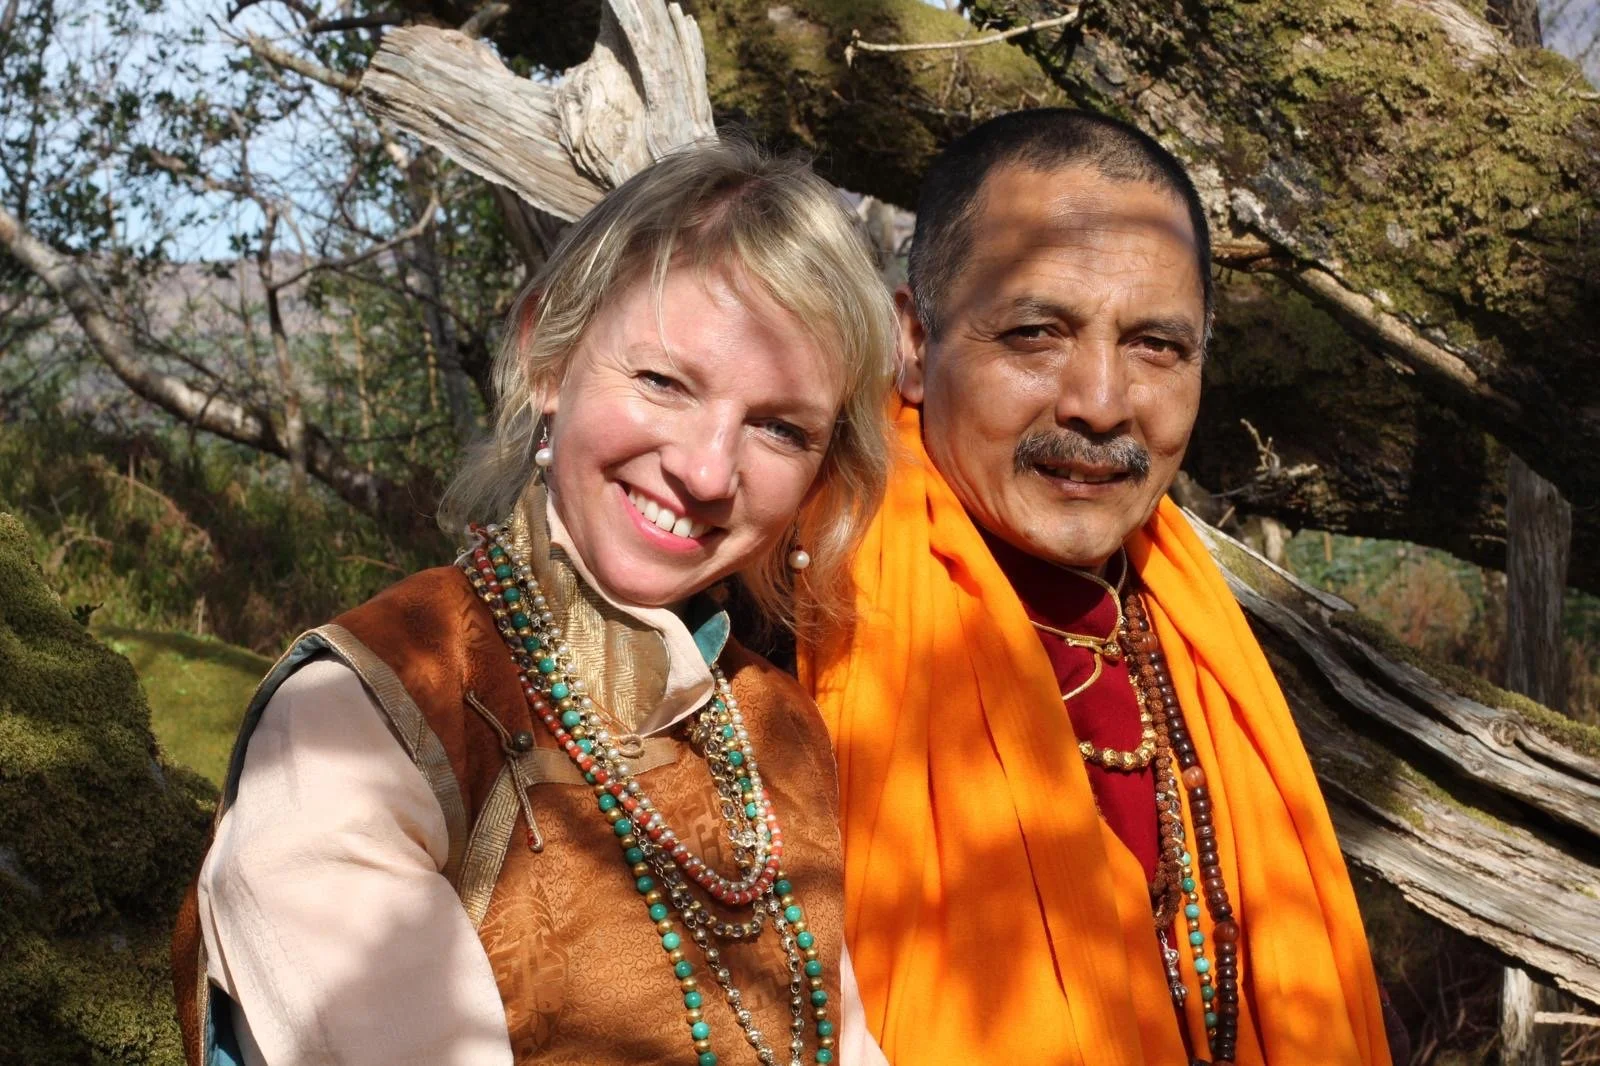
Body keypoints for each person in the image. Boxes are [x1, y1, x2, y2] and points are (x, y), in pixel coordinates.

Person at [172, 140, 898, 1066]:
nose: (709, 470)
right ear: (547, 357)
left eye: (779, 427)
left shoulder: (776, 727)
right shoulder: (369, 713)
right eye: (664, 382)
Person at [800, 110, 1398, 1066]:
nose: (1101, 401)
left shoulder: (1192, 632)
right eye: (1037, 333)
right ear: (914, 343)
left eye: (1156, 345)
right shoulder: (791, 606)